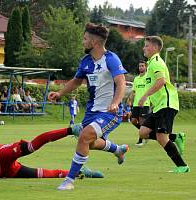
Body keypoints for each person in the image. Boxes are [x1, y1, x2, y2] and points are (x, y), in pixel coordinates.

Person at [48, 23, 129, 190]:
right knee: (89, 143)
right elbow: (77, 81)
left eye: (85, 39)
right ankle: (117, 150)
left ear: (95, 43)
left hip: (110, 112)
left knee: (85, 136)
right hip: (92, 112)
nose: (82, 42)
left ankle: (69, 180)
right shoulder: (85, 61)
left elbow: (121, 83)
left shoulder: (111, 59)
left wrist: (115, 102)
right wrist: (60, 93)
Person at [138, 36, 189, 173]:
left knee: (161, 138)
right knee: (143, 132)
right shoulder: (151, 64)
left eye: (147, 45)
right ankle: (176, 137)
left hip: (167, 104)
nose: (144, 48)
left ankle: (182, 166)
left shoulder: (156, 62)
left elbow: (161, 81)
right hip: (160, 106)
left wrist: (145, 96)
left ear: (155, 48)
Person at [131, 61, 151, 146]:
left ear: (146, 67)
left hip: (145, 103)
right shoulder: (136, 78)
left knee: (142, 121)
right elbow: (133, 91)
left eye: (142, 66)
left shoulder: (148, 77)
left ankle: (141, 140)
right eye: (139, 66)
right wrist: (130, 100)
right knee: (134, 121)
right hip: (136, 104)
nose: (141, 67)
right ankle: (146, 134)